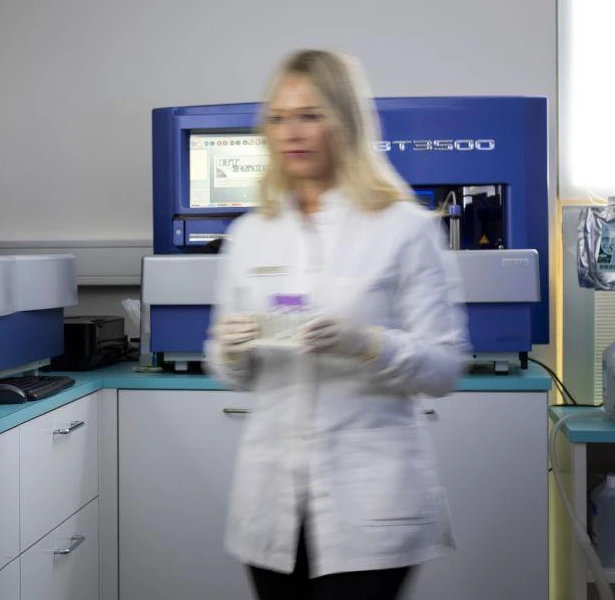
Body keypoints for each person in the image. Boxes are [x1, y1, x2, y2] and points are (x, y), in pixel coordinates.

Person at [204, 49, 471, 600]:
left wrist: (368, 344)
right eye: (279, 118)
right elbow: (232, 373)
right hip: (271, 502)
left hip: (370, 499)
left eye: (310, 115)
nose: (292, 133)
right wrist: (230, 351)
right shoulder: (251, 234)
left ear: (346, 121)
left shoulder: (403, 228)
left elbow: (445, 366)